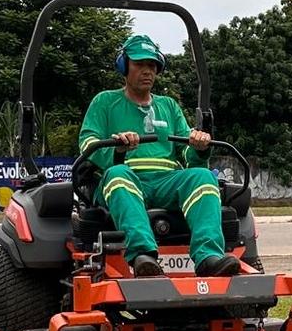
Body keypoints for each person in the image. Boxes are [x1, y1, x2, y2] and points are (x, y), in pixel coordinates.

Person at [78, 34, 240, 278]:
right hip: (125, 180)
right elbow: (88, 143)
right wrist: (117, 148)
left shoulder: (169, 106)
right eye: (140, 64)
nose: (147, 71)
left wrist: (199, 147)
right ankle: (143, 256)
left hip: (167, 181)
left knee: (203, 176)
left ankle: (208, 257)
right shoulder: (105, 102)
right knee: (118, 174)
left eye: (152, 65)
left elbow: (187, 154)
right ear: (124, 66)